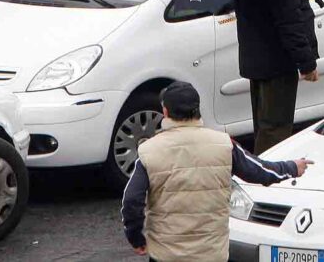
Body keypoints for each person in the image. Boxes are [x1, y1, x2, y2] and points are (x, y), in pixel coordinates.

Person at [121, 82, 312, 262]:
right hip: (211, 253)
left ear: (165, 111)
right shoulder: (224, 144)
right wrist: (292, 167)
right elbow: (261, 172)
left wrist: (136, 238)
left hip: (166, 253)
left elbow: (131, 202)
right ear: (197, 109)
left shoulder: (150, 151)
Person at [232, 0, 319, 153]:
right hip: (278, 60)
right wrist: (306, 62)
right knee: (274, 133)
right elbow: (289, 18)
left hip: (255, 59)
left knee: (264, 128)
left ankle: (260, 171)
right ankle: (266, 179)